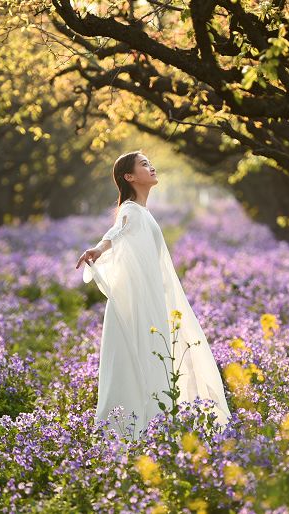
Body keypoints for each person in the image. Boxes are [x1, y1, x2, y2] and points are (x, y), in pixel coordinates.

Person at [75, 150, 232, 440]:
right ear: (130, 177)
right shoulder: (131, 211)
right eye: (144, 165)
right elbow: (117, 232)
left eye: (150, 163)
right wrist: (97, 249)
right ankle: (134, 436)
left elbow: (120, 231)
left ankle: (150, 434)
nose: (152, 167)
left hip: (149, 303)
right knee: (136, 367)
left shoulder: (142, 213)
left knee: (153, 364)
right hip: (136, 308)